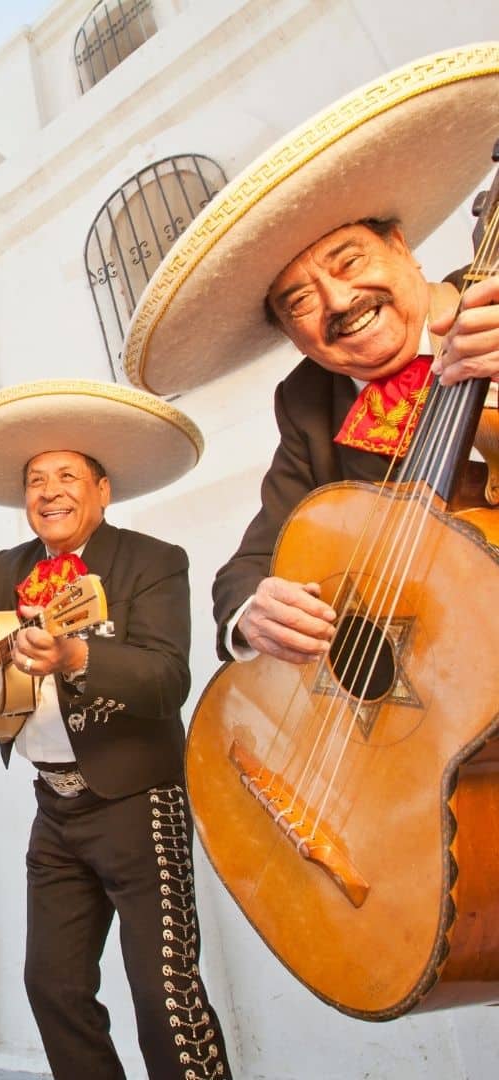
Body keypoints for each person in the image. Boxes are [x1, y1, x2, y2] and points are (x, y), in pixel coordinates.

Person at [116, 43, 499, 662]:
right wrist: (254, 614)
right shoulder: (308, 402)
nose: (340, 301)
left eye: (349, 261)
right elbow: (244, 569)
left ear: (401, 246)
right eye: (299, 302)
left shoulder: (494, 292)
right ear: (291, 337)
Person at [0, 380, 231, 1080]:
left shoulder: (151, 561)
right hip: (53, 808)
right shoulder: (8, 569)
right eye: (35, 481)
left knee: (164, 996)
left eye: (66, 477)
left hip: (137, 799)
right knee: (52, 986)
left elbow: (165, 680)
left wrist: (77, 655)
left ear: (102, 490)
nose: (48, 492)